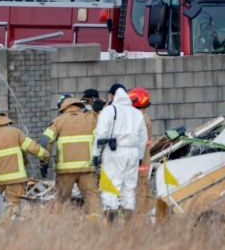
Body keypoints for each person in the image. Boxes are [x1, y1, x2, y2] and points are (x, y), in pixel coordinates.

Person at [0, 108, 49, 216]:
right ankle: (11, 226)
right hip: (16, 178)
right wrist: (45, 155)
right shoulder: (15, 132)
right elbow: (32, 147)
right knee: (14, 207)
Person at [92, 85, 148, 222]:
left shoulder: (109, 111)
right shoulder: (136, 113)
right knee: (129, 189)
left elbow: (101, 134)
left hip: (114, 152)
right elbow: (143, 137)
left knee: (111, 187)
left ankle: (111, 224)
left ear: (112, 96)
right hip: (133, 153)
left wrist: (96, 154)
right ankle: (128, 224)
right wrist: (140, 156)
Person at [42, 96, 101, 222]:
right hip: (87, 168)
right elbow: (100, 139)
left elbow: (45, 140)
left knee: (62, 199)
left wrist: (44, 162)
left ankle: (62, 226)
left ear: (63, 108)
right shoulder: (90, 119)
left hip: (65, 170)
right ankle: (95, 226)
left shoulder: (59, 121)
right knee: (92, 197)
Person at [128, 87, 155, 216]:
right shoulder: (144, 117)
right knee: (146, 189)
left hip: (140, 161)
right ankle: (151, 216)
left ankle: (137, 219)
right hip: (145, 160)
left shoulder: (140, 119)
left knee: (139, 190)